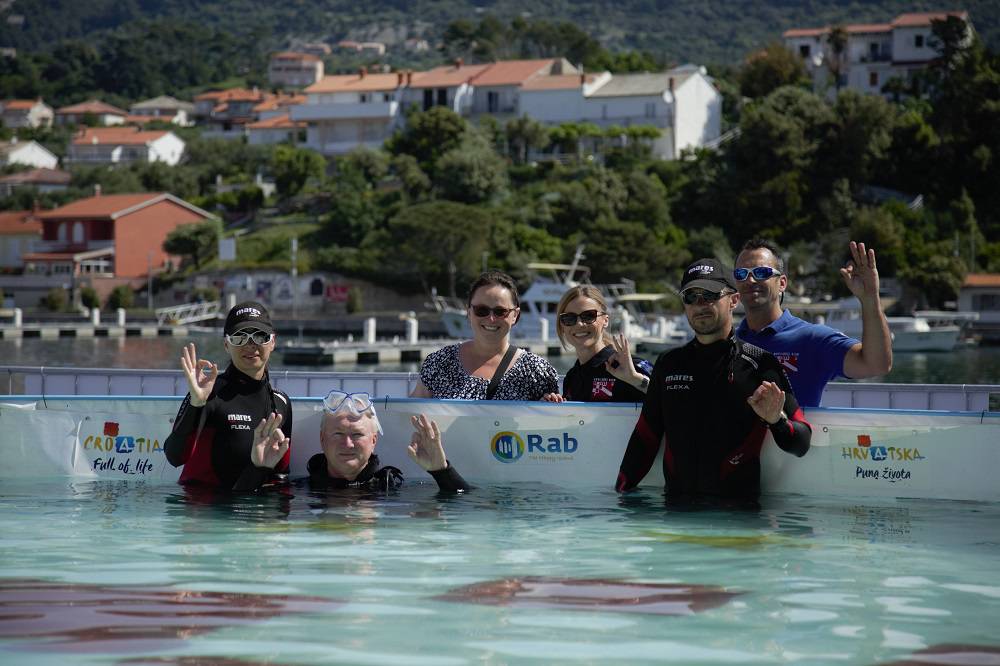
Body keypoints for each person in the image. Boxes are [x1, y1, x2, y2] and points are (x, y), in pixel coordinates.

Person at [616, 258, 811, 498]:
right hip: (676, 519)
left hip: (737, 521)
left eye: (709, 295)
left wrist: (776, 421)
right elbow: (645, 438)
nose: (700, 304)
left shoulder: (759, 363)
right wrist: (620, 501)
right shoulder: (668, 364)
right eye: (691, 297)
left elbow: (802, 443)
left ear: (734, 300)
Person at [734, 239, 892, 407]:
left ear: (782, 283)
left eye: (761, 272)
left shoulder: (812, 339)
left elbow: (877, 364)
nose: (750, 280)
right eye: (741, 274)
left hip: (793, 433)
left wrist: (870, 298)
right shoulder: (729, 342)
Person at [164, 301, 293, 491]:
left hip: (252, 511)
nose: (250, 345)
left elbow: (281, 473)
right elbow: (174, 457)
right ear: (226, 344)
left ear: (272, 342)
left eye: (260, 336)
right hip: (205, 513)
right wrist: (196, 403)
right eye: (239, 338)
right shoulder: (209, 393)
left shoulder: (280, 402)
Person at [411, 271, 559, 400]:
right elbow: (412, 416)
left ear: (515, 315)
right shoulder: (438, 363)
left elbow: (551, 426)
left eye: (500, 311)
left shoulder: (538, 371)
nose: (491, 318)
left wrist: (549, 406)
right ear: (469, 313)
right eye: (481, 310)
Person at [306, 390, 470, 492]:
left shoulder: (391, 489)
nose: (348, 443)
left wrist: (441, 471)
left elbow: (468, 506)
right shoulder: (300, 490)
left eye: (357, 435)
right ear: (322, 439)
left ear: (373, 441)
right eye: (338, 434)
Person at [547, 285, 652, 403]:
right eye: (569, 318)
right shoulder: (572, 378)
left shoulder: (630, 367)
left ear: (605, 320)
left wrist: (634, 379)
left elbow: (671, 398)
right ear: (562, 326)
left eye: (588, 316)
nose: (580, 324)